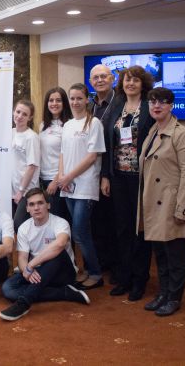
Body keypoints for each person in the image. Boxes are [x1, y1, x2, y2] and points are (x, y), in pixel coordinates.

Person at [139, 88, 185, 316]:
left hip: (172, 204)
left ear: (171, 105)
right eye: (153, 101)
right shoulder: (153, 131)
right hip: (154, 204)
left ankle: (174, 297)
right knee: (161, 254)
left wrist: (182, 209)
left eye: (163, 102)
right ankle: (163, 293)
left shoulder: (182, 134)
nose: (157, 106)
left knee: (176, 255)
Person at [101, 66, 155, 301]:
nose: (130, 83)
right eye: (126, 80)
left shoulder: (149, 108)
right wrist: (105, 175)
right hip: (118, 177)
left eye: (135, 80)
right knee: (121, 228)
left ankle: (139, 279)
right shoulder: (117, 107)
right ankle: (124, 277)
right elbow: (108, 144)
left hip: (142, 178)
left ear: (143, 84)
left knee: (139, 230)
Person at [0, 188, 90, 321]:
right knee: (8, 288)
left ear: (48, 205)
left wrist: (31, 264)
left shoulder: (60, 223)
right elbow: (22, 258)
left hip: (62, 273)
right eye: (32, 204)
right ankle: (65, 293)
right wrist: (27, 269)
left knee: (57, 251)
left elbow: (60, 244)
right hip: (37, 273)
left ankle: (24, 302)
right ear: (27, 209)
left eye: (40, 203)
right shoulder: (24, 228)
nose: (36, 208)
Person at [58, 83, 106, 289]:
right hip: (68, 186)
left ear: (87, 99)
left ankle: (96, 273)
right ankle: (86, 269)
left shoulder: (94, 123)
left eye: (79, 98)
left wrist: (68, 177)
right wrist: (62, 178)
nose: (75, 102)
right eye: (72, 98)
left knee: (80, 231)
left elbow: (92, 157)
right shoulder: (67, 125)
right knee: (78, 232)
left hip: (85, 185)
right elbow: (62, 153)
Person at [88, 64, 118, 278]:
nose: (99, 80)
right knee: (96, 221)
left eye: (103, 76)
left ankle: (117, 265)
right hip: (91, 172)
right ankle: (103, 262)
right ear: (91, 82)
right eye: (95, 77)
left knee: (113, 220)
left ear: (112, 78)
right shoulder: (89, 105)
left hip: (113, 171)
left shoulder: (120, 103)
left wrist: (106, 175)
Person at [39, 87, 71, 222]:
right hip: (43, 180)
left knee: (59, 221)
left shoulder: (68, 125)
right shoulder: (42, 125)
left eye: (58, 100)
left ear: (64, 103)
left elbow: (68, 157)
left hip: (58, 181)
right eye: (51, 100)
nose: (54, 103)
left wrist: (56, 181)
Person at [12, 99, 41, 230]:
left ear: (30, 117)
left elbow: (32, 166)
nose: (20, 116)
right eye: (18, 112)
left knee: (19, 224)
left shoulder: (31, 137)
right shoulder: (10, 133)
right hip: (11, 190)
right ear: (13, 112)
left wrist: (21, 191)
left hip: (26, 191)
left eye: (24, 114)